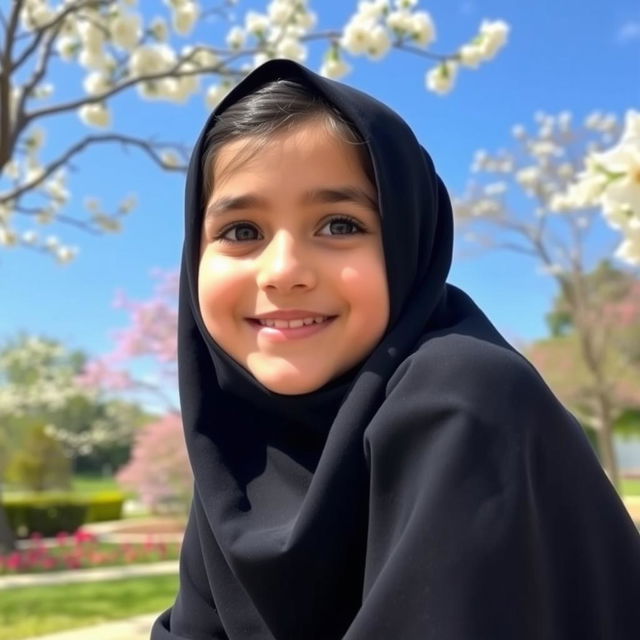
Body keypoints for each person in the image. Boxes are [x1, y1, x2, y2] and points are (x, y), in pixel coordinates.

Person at [151, 59, 640, 640]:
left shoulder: (464, 400)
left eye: (338, 224)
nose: (283, 272)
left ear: (411, 241)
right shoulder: (241, 456)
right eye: (241, 232)